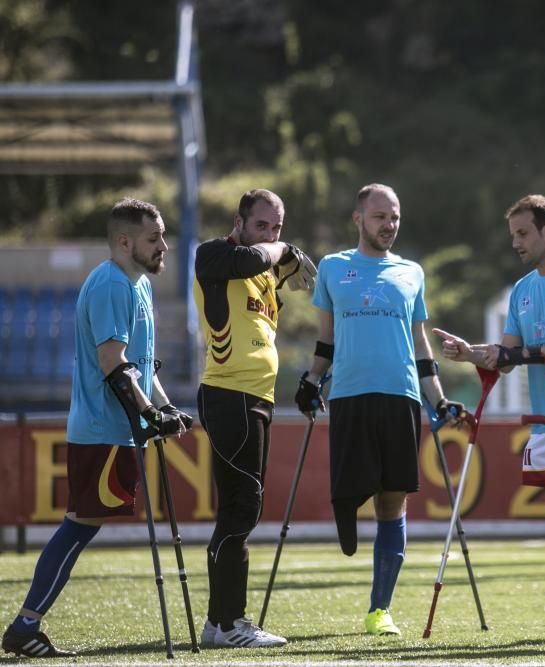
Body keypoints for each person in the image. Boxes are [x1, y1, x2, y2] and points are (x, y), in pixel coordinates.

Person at [2, 198, 192, 658]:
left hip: (119, 430)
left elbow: (142, 366)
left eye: (163, 236)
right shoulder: (111, 284)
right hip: (102, 430)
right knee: (79, 526)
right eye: (154, 238)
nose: (164, 245)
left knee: (81, 526)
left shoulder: (139, 285)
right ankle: (26, 625)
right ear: (125, 241)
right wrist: (149, 413)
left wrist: (166, 406)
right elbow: (114, 365)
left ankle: (27, 623)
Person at [434, 193, 545, 642]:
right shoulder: (521, 290)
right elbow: (507, 357)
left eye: (522, 233)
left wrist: (526, 353)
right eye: (513, 233)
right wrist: (468, 353)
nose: (515, 242)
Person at [295, 183, 464, 637]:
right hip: (349, 396)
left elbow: (420, 343)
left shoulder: (411, 272)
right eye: (379, 217)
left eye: (394, 217)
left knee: (393, 499)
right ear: (358, 219)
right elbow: (326, 339)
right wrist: (311, 380)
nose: (388, 225)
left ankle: (379, 609)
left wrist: (439, 398)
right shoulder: (333, 267)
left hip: (401, 396)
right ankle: (347, 520)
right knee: (354, 491)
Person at [194, 188, 316, 649]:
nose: (270, 235)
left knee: (243, 508)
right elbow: (247, 261)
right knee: (241, 509)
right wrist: (280, 250)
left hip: (255, 397)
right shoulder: (214, 254)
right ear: (239, 221)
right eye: (261, 225)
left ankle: (221, 622)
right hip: (229, 394)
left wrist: (281, 260)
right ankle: (227, 624)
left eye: (277, 227)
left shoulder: (264, 274)